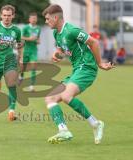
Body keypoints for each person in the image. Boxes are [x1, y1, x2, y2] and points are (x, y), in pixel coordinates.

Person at [42, 4, 114, 144]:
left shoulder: (72, 30)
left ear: (56, 17)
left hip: (87, 68)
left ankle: (95, 123)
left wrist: (99, 63)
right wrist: (57, 54)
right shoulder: (56, 33)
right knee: (50, 98)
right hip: (77, 70)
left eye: (47, 19)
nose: (46, 21)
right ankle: (64, 130)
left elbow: (93, 42)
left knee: (66, 95)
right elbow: (64, 49)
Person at [18, 12, 41, 92]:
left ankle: (31, 86)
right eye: (32, 18)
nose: (34, 20)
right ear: (29, 19)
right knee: (22, 67)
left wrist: (38, 41)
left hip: (33, 51)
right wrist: (29, 39)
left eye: (35, 18)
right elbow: (21, 37)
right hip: (26, 50)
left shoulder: (38, 28)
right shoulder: (25, 28)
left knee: (33, 67)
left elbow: (38, 38)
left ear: (36, 19)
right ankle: (21, 76)